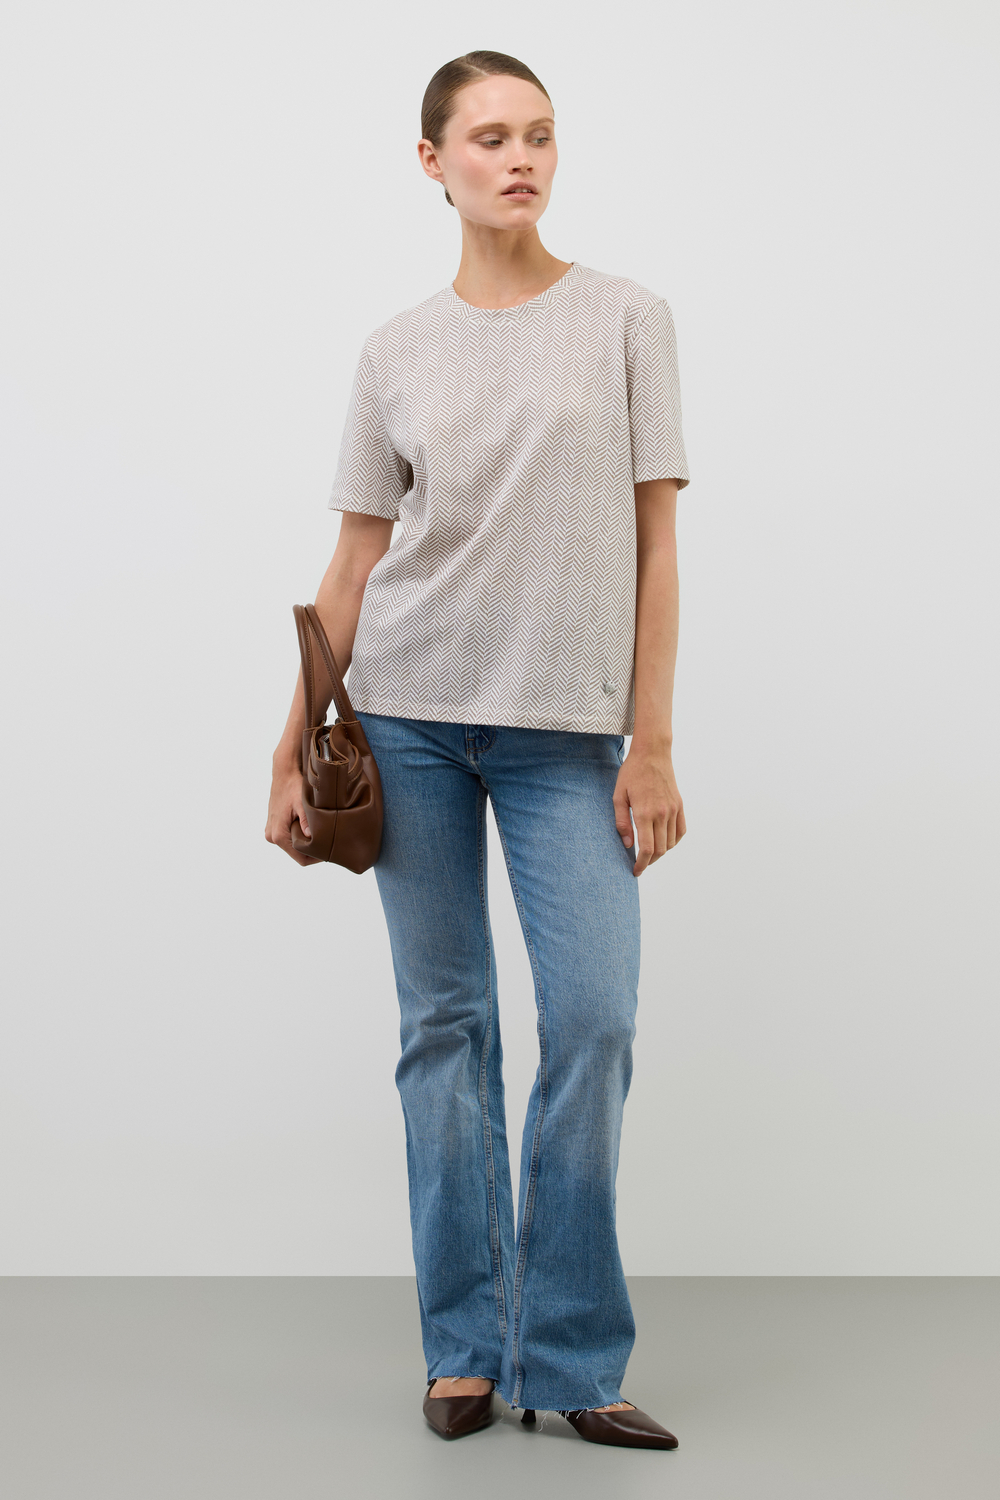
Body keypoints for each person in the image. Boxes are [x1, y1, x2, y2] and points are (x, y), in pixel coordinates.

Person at [265, 51, 690, 1451]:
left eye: (540, 136)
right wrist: (289, 747)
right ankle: (464, 1348)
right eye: (492, 137)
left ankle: (567, 1356)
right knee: (444, 1030)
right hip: (410, 721)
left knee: (596, 1020)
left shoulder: (627, 319)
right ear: (432, 161)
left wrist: (652, 743)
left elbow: (658, 547)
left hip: (570, 740)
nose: (521, 159)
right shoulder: (395, 350)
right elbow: (352, 565)